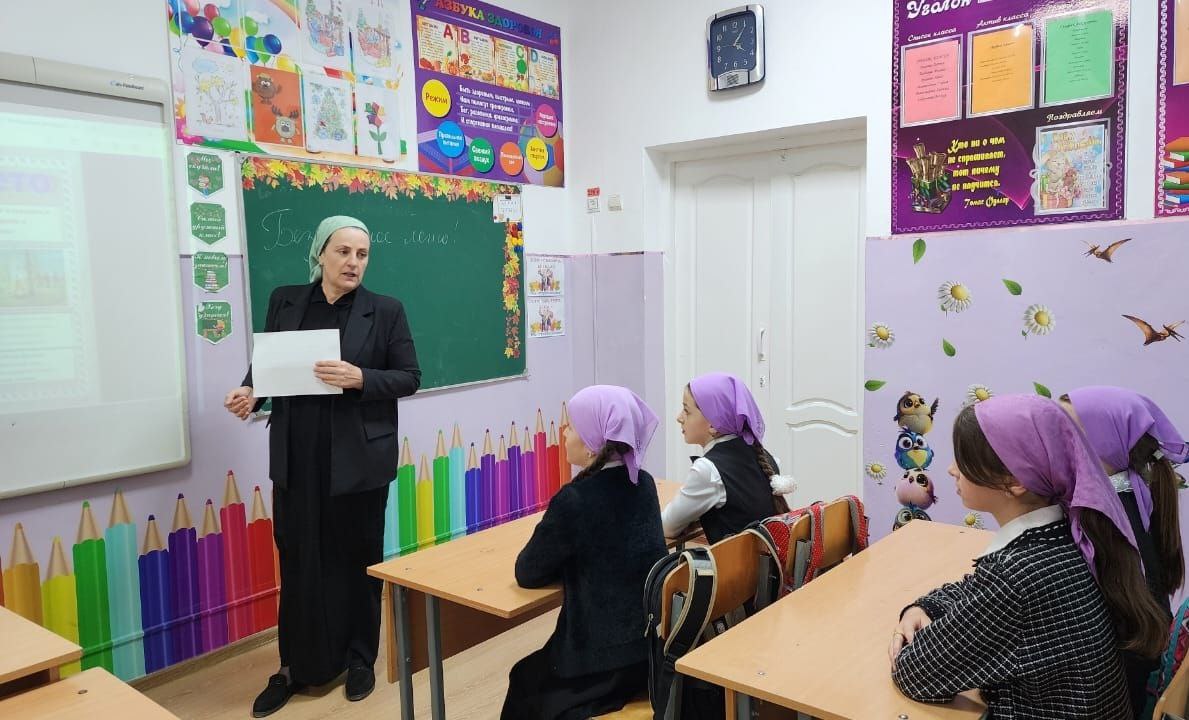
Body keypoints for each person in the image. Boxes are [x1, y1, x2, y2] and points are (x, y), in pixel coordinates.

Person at [223, 215, 421, 717]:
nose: (353, 262)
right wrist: (250, 391)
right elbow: (267, 368)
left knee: (357, 559)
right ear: (320, 253)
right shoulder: (286, 300)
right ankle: (295, 666)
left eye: (362, 254)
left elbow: (409, 376)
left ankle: (359, 659)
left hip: (358, 460)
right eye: (343, 252)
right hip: (298, 458)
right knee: (299, 561)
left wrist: (361, 378)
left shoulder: (386, 310)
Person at [889, 395, 1168, 719]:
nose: (952, 470)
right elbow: (975, 589)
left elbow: (916, 673)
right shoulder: (1067, 535)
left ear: (1014, 481)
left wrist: (915, 630)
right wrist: (924, 607)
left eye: (963, 460)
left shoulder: (1018, 578)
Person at [502, 385, 666, 720]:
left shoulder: (575, 500)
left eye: (572, 427)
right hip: (647, 653)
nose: (564, 433)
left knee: (524, 680)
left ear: (593, 446)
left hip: (600, 662)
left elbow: (528, 571)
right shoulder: (643, 483)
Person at [1061, 386, 1187, 717]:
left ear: (1108, 446)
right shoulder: (1132, 497)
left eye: (1067, 432)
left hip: (1110, 697)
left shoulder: (1107, 518)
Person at [662, 372, 792, 543]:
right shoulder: (765, 456)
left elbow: (667, 527)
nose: (679, 418)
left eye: (687, 411)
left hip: (734, 560)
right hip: (763, 557)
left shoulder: (707, 471)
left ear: (713, 425)